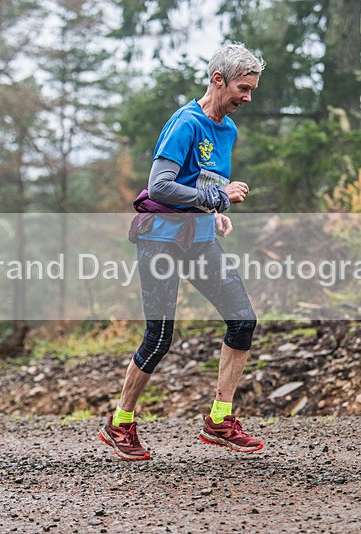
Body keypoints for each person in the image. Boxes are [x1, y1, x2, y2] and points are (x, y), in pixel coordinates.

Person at [98, 43, 266, 461]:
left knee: (242, 320)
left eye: (252, 89)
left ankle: (220, 419)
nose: (248, 98)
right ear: (218, 80)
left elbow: (203, 182)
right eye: (243, 88)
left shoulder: (227, 129)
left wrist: (215, 211)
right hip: (160, 240)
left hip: (199, 239)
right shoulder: (185, 123)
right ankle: (120, 422)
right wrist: (218, 198)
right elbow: (160, 187)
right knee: (159, 337)